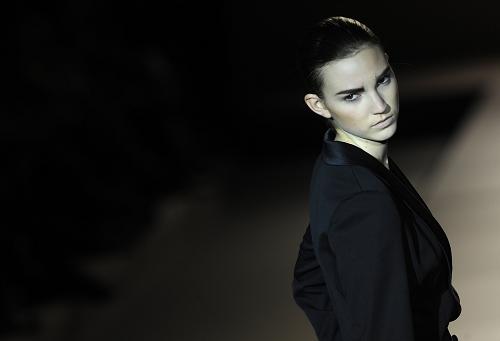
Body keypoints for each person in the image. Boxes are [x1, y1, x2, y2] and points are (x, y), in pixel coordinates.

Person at [291, 16, 461, 341]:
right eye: (352, 95)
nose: (380, 105)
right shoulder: (364, 201)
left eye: (382, 80)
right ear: (318, 105)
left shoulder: (336, 167)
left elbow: (309, 281)